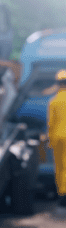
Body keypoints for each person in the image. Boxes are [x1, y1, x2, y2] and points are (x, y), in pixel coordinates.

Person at [48, 70, 66, 206]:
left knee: (60, 167)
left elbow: (51, 123)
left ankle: (62, 194)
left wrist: (50, 140)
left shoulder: (53, 101)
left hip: (58, 138)